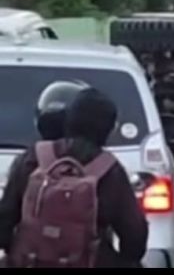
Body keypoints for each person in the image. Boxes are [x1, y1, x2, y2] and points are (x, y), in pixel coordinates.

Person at [0, 88, 148, 268]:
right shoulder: (110, 170)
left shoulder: (32, 158)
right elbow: (135, 237)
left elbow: (4, 222)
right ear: (107, 129)